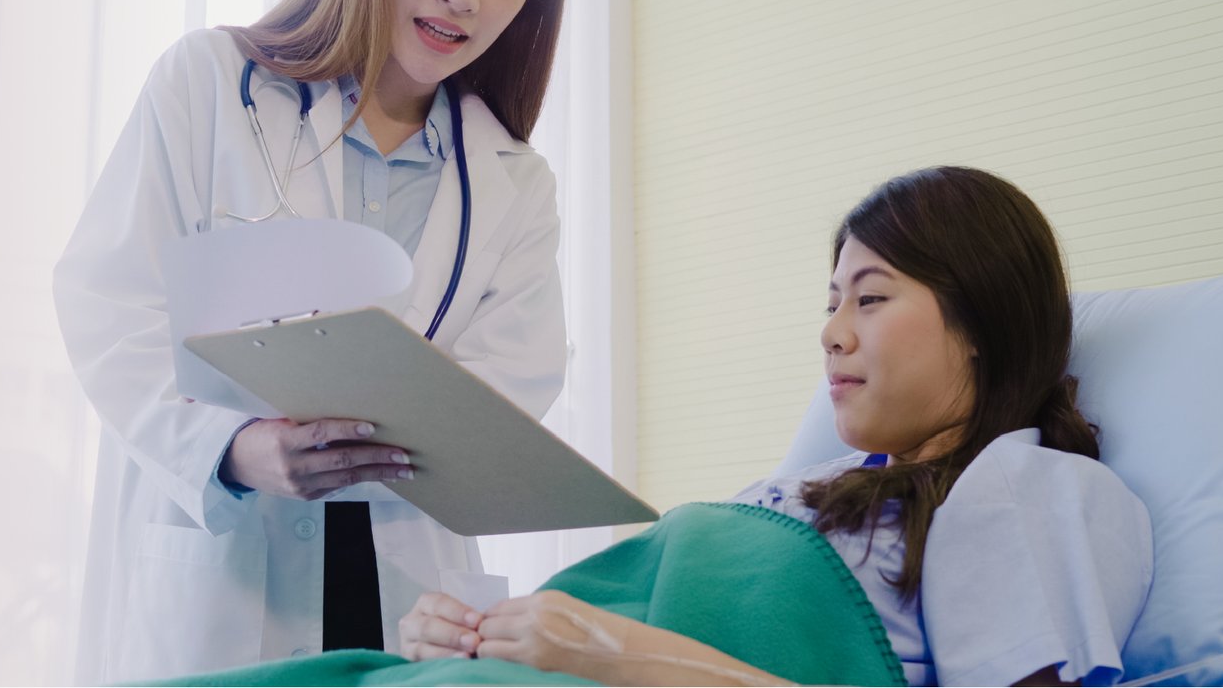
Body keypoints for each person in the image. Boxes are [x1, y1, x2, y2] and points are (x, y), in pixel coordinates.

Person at [401, 167, 1154, 686]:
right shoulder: (814, 487)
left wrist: (621, 658)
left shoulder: (1020, 484)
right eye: (831, 302)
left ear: (980, 322)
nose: (830, 333)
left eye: (870, 298)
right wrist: (475, 638)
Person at [54, 0, 570, 682]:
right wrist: (233, 448)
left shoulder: (516, 183)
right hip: (224, 574)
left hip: (403, 593)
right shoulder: (208, 84)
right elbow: (111, 304)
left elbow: (514, 386)